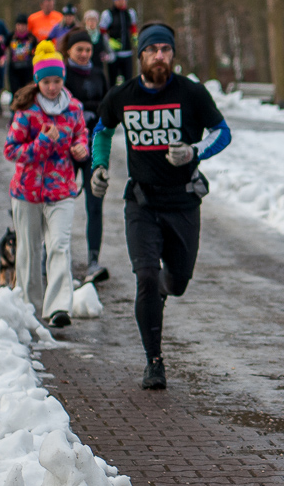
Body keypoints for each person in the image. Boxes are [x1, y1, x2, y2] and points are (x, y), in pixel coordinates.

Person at [89, 23, 231, 390]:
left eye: (166, 50)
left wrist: (194, 151)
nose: (159, 56)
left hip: (183, 201)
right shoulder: (123, 95)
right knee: (147, 276)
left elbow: (223, 132)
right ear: (141, 56)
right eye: (152, 50)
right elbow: (102, 131)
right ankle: (154, 360)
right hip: (142, 201)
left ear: (172, 55)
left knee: (177, 282)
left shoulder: (191, 93)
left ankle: (166, 290)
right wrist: (99, 166)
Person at [3, 41, 89, 328]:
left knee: (59, 246)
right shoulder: (27, 111)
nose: (52, 87)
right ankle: (29, 307)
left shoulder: (73, 108)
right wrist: (42, 141)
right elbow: (11, 150)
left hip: (61, 190)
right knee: (29, 251)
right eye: (46, 82)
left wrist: (81, 148)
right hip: (27, 192)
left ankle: (58, 308)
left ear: (63, 79)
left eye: (57, 81)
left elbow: (81, 134)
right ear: (37, 82)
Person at [63, 29, 112, 284]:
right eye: (79, 50)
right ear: (68, 51)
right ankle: (52, 253)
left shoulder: (98, 74)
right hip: (67, 149)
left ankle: (93, 260)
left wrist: (90, 112)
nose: (84, 54)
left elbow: (107, 107)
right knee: (60, 203)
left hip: (94, 147)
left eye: (88, 50)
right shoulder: (61, 75)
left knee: (95, 205)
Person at [99, 0, 138, 86]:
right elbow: (102, 31)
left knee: (128, 80)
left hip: (127, 52)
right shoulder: (108, 14)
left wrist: (135, 36)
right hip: (114, 53)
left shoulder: (130, 13)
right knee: (113, 81)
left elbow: (133, 27)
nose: (122, 1)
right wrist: (109, 41)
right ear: (114, 0)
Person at [6, 14, 38, 98]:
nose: (21, 27)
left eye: (23, 25)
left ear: (27, 26)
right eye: (19, 25)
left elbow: (37, 50)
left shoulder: (31, 38)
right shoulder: (11, 37)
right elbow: (3, 48)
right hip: (14, 69)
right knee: (15, 92)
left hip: (27, 69)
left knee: (27, 92)